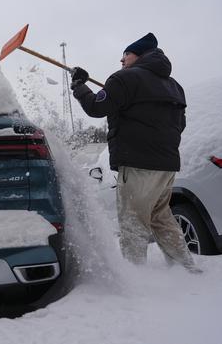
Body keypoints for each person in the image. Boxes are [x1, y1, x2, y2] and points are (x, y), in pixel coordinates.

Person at [70, 33, 200, 273]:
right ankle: (187, 268)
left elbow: (96, 107)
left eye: (125, 55)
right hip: (167, 165)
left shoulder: (125, 79)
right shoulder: (174, 86)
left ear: (139, 55)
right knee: (161, 218)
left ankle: (135, 279)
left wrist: (79, 86)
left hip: (138, 164)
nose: (121, 61)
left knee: (133, 222)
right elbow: (179, 125)